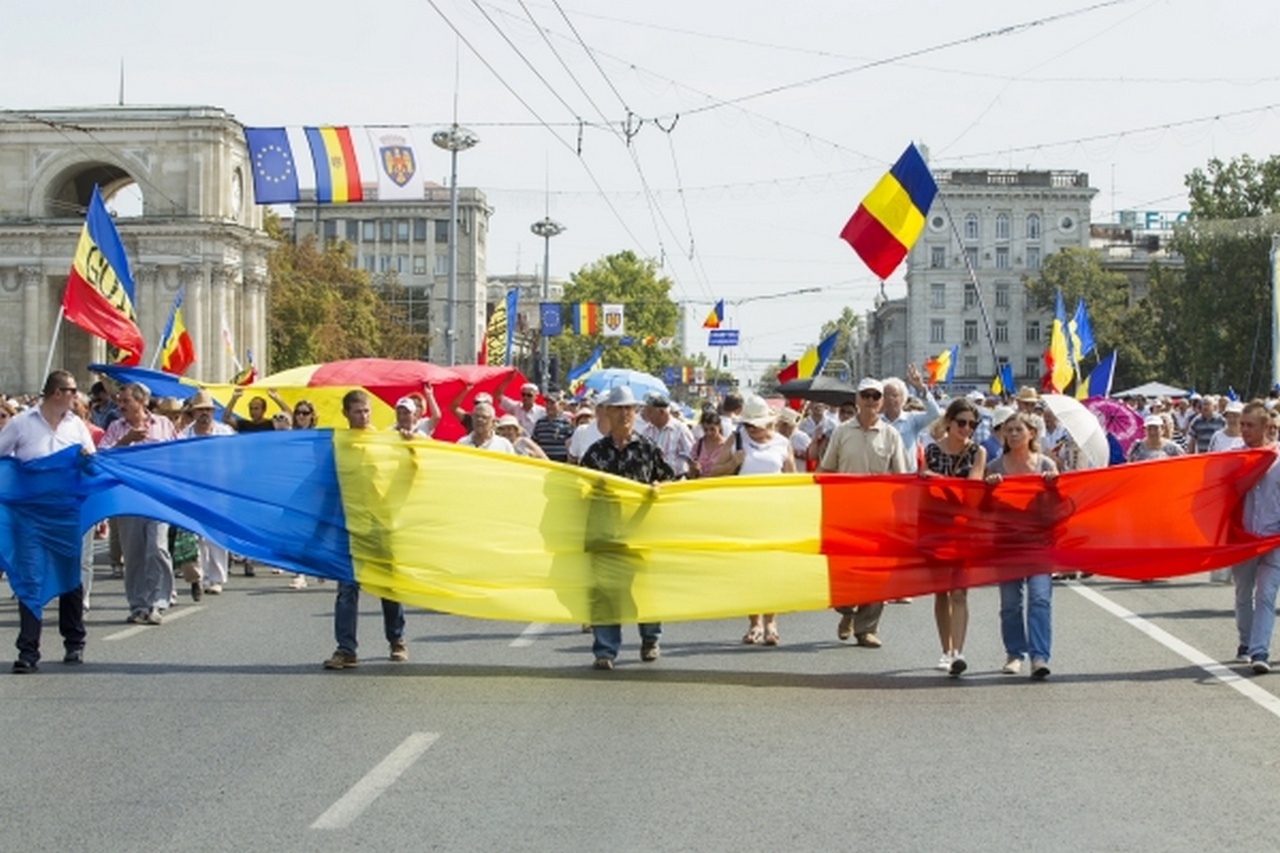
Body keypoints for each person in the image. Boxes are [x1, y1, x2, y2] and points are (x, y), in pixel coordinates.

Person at [0, 370, 96, 673]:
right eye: (72, 390)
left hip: (64, 514)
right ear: (57, 393)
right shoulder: (21, 423)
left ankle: (74, 641)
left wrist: (83, 459)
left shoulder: (76, 425)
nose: (76, 395)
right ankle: (28, 651)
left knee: (70, 577)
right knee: (29, 577)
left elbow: (92, 468)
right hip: (29, 515)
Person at [579, 385, 677, 670]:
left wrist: (659, 486)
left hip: (640, 533)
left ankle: (650, 638)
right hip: (605, 533)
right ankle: (605, 650)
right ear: (607, 412)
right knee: (605, 592)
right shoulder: (595, 454)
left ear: (636, 413)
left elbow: (669, 478)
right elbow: (580, 489)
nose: (624, 413)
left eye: (629, 409)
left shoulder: (647, 449)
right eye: (618, 408)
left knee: (644, 589)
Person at [818, 378, 907, 648]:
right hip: (846, 513)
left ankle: (866, 628)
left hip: (879, 516)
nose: (870, 401)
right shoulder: (842, 432)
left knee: (876, 573)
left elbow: (901, 477)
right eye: (865, 396)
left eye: (875, 396)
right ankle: (847, 611)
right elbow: (826, 469)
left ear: (882, 402)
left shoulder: (891, 435)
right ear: (857, 399)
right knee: (844, 570)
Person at [323, 390, 409, 669]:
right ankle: (346, 649)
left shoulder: (384, 442)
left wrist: (411, 449)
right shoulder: (338, 445)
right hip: (348, 525)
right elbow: (329, 488)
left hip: (379, 525)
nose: (364, 416)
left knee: (388, 585)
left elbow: (405, 473)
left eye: (367, 411)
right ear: (346, 413)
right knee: (347, 587)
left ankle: (396, 639)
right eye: (358, 411)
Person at [712, 395, 795, 646]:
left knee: (771, 569)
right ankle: (754, 623)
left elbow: (793, 479)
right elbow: (714, 471)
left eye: (754, 425)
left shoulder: (782, 443)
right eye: (747, 425)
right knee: (749, 569)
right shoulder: (736, 439)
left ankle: (771, 621)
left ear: (767, 423)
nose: (751, 430)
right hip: (744, 514)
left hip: (774, 514)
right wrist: (732, 463)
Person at [984, 411, 1059, 679]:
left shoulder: (1046, 465)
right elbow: (983, 509)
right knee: (1010, 603)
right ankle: (1014, 653)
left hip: (1038, 542)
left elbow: (1059, 506)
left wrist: (1053, 487)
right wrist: (990, 488)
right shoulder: (994, 467)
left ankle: (1039, 657)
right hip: (1006, 542)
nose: (1013, 434)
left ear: (1032, 434)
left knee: (1039, 598)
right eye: (1009, 430)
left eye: (1019, 430)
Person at [100, 382, 178, 625]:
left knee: (157, 547)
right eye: (119, 401)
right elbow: (101, 456)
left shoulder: (164, 425)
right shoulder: (115, 427)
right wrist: (126, 440)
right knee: (133, 552)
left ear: (142, 402)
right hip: (128, 497)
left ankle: (158, 602)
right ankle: (138, 605)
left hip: (157, 497)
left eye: (126, 401)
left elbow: (178, 454)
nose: (120, 406)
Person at [921, 398, 987, 676]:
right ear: (949, 422)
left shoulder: (978, 451)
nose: (967, 428)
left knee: (960, 592)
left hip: (964, 529)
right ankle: (945, 650)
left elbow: (972, 487)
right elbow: (924, 483)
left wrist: (938, 481)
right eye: (962, 423)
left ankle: (958, 652)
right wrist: (935, 481)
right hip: (936, 528)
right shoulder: (932, 450)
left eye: (972, 424)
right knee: (941, 593)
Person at [1233, 401, 1280, 673]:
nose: (1245, 430)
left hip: (1273, 538)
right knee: (1243, 593)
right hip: (1243, 538)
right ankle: (1246, 641)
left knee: (1266, 595)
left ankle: (1259, 650)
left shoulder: (1278, 459)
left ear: (1266, 427)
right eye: (1242, 424)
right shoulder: (1232, 458)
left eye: (1250, 425)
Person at [178, 390, 236, 598]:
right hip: (193, 490)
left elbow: (236, 457)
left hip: (220, 489)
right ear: (193, 413)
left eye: (208, 410)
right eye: (200, 410)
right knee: (196, 535)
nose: (204, 414)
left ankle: (217, 578)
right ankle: (199, 577)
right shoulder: (184, 435)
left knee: (217, 535)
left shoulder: (225, 432)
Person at [882, 364, 942, 472]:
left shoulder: (912, 420)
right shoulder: (876, 421)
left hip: (907, 479)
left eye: (895, 395)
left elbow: (935, 414)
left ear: (903, 398)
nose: (890, 399)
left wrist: (920, 388)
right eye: (886, 395)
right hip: (883, 478)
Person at [639, 392, 696, 478]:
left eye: (649, 412)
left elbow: (693, 456)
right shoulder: (647, 430)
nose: (646, 414)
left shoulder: (680, 430)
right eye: (645, 411)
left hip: (675, 482)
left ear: (661, 412)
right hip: (653, 481)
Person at [221, 386, 290, 432]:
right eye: (251, 408)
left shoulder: (272, 424)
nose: (252, 411)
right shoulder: (244, 424)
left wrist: (276, 398)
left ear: (264, 410)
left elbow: (290, 416)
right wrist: (234, 398)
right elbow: (226, 419)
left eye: (256, 409)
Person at [530, 392, 574, 462]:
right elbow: (534, 443)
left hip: (561, 463)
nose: (549, 406)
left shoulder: (567, 422)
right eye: (547, 403)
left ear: (560, 405)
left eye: (552, 403)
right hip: (543, 462)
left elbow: (571, 444)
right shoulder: (540, 423)